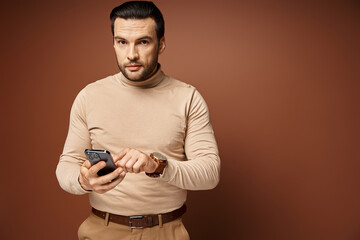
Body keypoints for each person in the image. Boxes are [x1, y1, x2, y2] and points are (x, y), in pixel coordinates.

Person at [56, 1, 220, 239]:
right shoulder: (89, 96)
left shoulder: (188, 97)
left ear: (161, 44)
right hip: (101, 231)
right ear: (113, 43)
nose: (131, 54)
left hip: (167, 232)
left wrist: (156, 165)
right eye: (122, 42)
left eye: (143, 42)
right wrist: (82, 180)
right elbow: (66, 165)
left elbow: (210, 173)